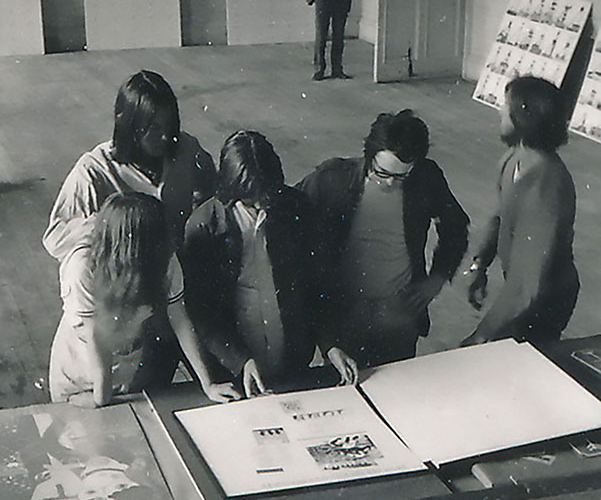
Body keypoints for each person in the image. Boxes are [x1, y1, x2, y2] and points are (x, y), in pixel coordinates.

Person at [183, 130, 358, 395]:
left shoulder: (297, 208)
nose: (260, 205)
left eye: (267, 196)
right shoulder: (204, 225)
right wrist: (240, 361)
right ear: (231, 187)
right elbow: (203, 312)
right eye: (250, 200)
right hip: (233, 366)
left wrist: (331, 345)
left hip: (291, 356)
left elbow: (318, 285)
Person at [298, 110, 469, 368]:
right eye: (382, 173)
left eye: (401, 176)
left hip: (399, 312)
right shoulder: (333, 178)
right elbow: (289, 209)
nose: (390, 183)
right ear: (369, 156)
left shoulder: (426, 178)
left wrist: (437, 278)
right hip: (345, 312)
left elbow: (456, 225)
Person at [49, 192, 238, 407]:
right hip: (80, 370)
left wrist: (208, 384)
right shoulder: (82, 266)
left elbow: (180, 320)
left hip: (125, 367)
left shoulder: (163, 258)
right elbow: (95, 335)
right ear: (136, 241)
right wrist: (100, 398)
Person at [43, 70, 216, 262]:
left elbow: (211, 190)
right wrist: (112, 226)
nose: (165, 136)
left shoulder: (187, 149)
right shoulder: (93, 172)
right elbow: (55, 237)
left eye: (169, 125)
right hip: (129, 274)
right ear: (130, 126)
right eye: (154, 128)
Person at [463, 75, 579, 346]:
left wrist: (479, 336)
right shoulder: (514, 158)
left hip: (544, 299)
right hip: (522, 283)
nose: (500, 110)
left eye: (506, 105)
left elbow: (527, 285)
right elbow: (500, 216)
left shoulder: (546, 187)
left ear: (525, 117)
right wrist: (480, 264)